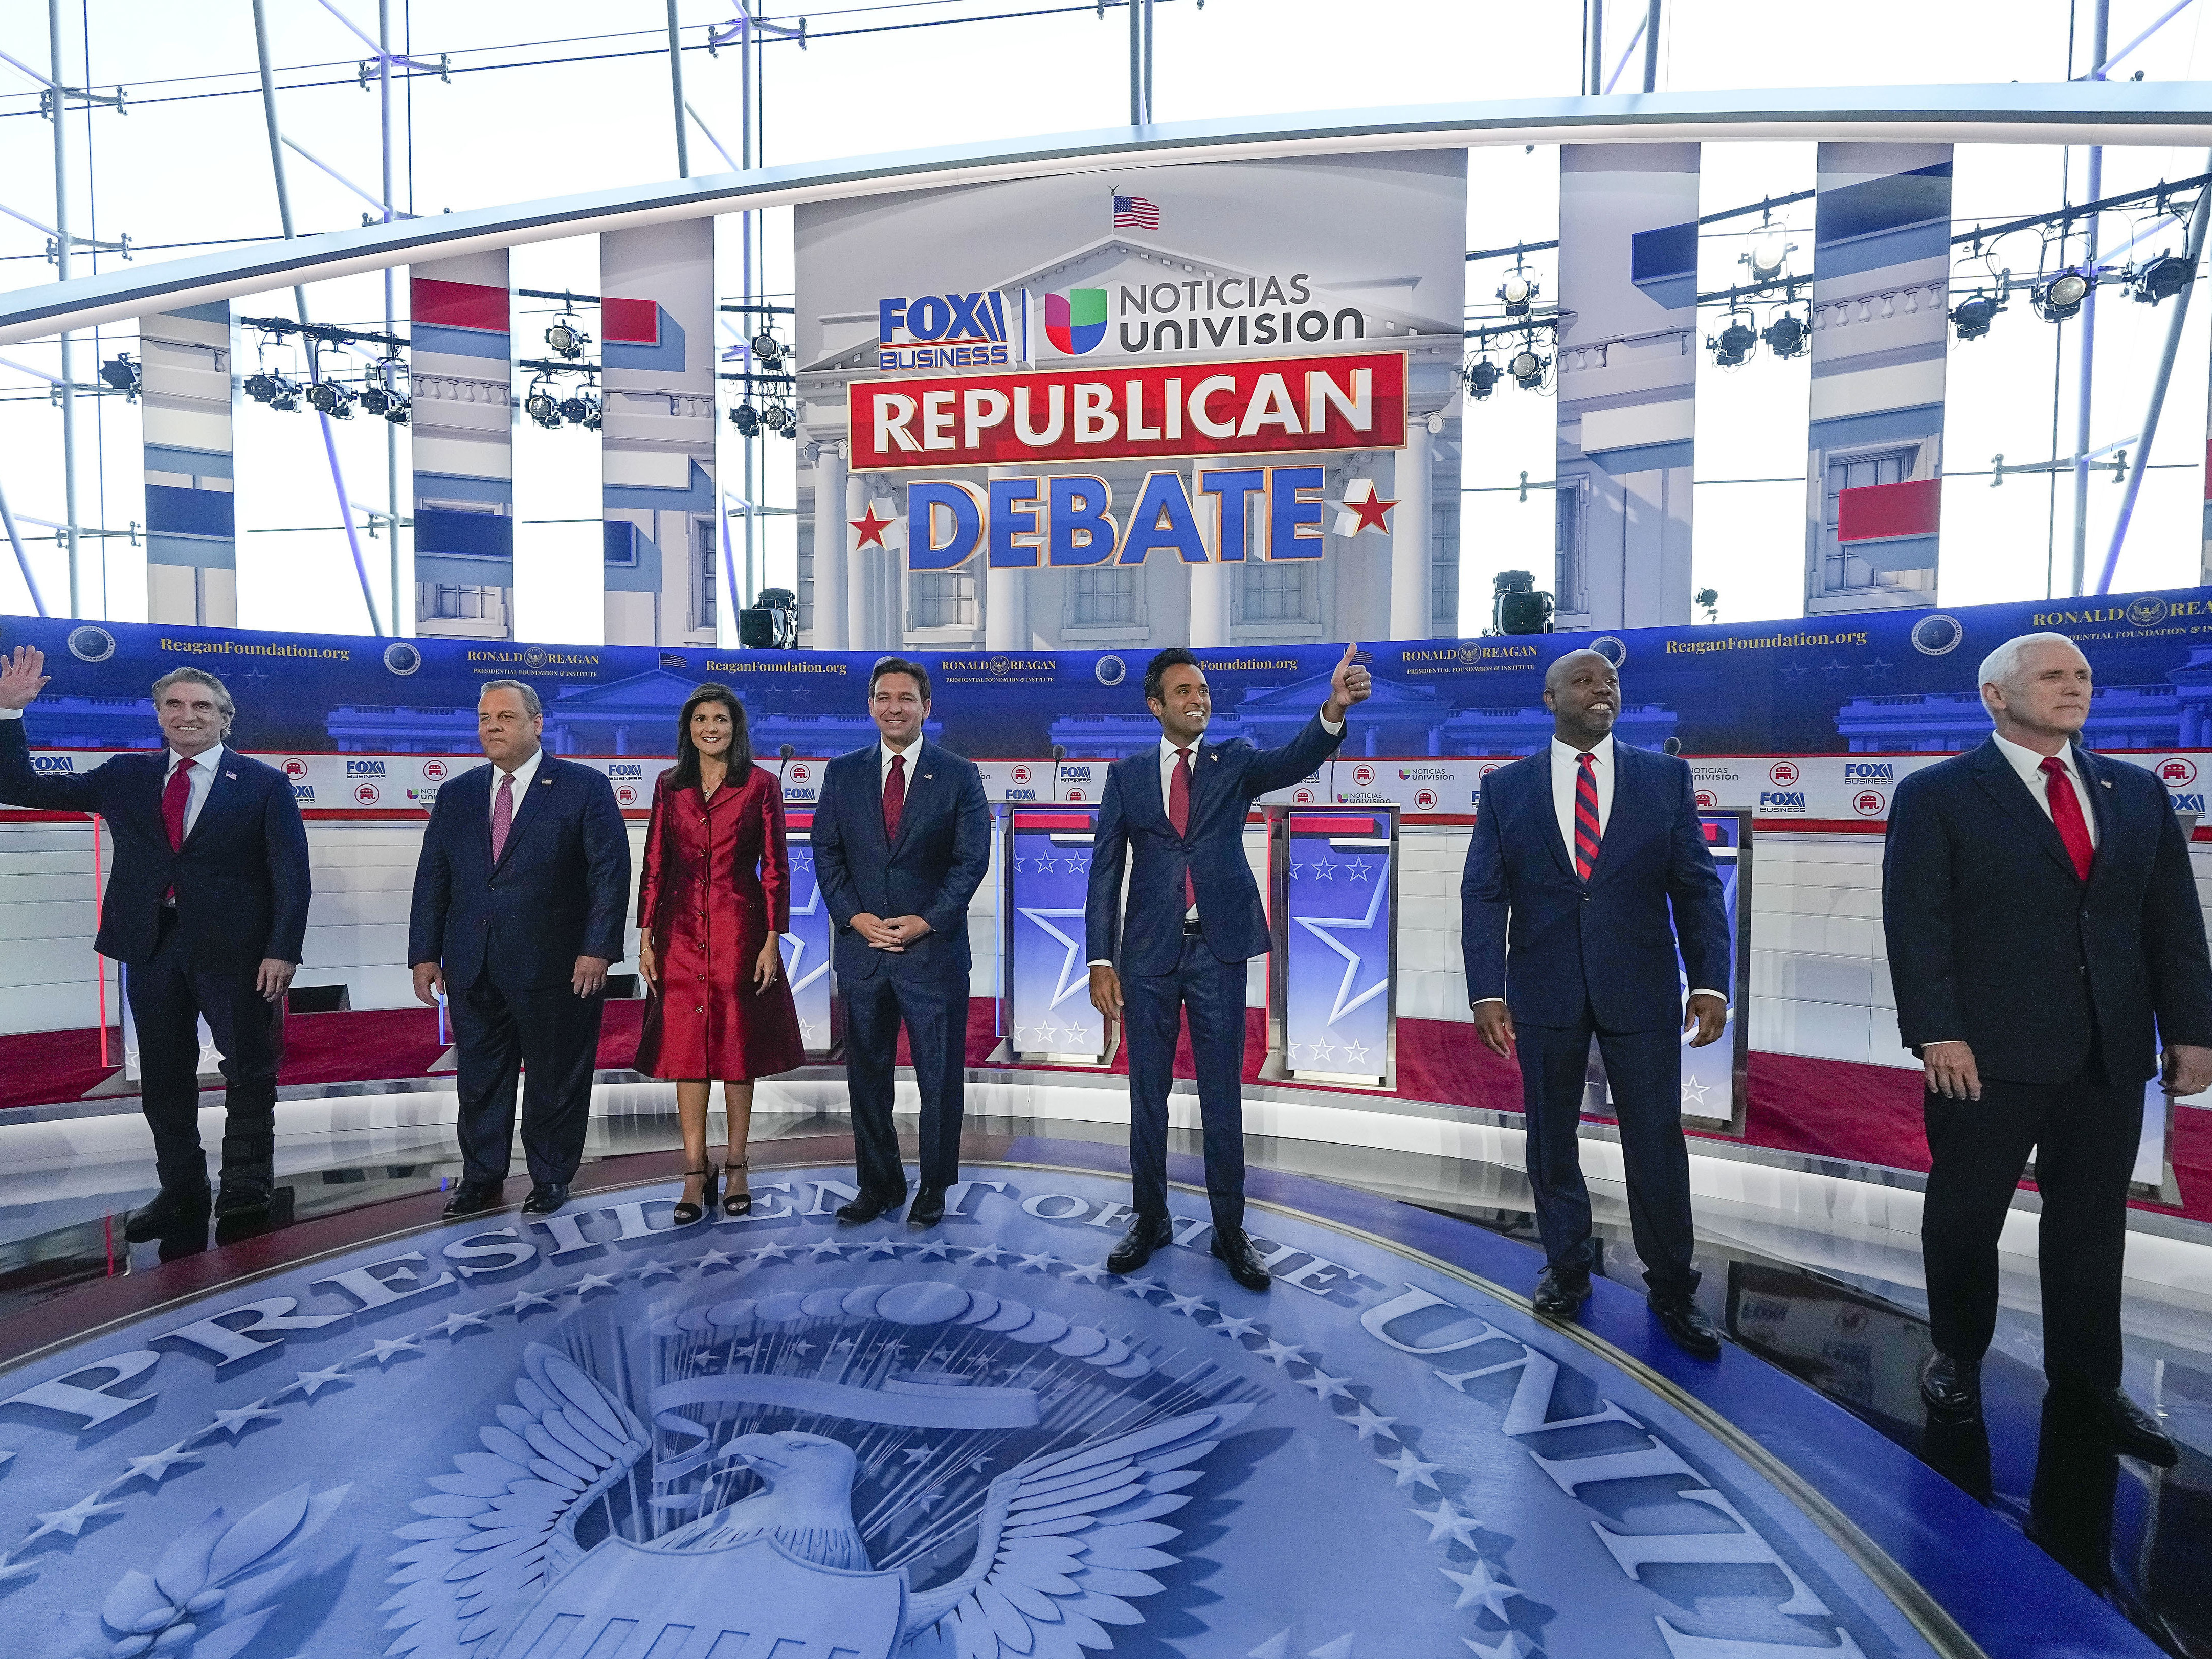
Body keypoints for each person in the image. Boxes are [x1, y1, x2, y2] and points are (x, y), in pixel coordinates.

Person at [1884, 631, 2212, 1464]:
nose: (2075, 687)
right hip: (1983, 1052)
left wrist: (2192, 1029)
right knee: (1965, 1214)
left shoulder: (2135, 793)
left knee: (2092, 1225)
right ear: (1996, 694)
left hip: (2108, 1052)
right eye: (2053, 675)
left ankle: (2089, 1383)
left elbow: (2173, 925)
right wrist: (1936, 1029)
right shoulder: (1940, 794)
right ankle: (1958, 1357)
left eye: (2083, 675)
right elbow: (1916, 923)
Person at [1460, 648, 1732, 1359]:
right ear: (1551, 698)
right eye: (1583, 681)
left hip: (1639, 986)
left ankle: (1672, 1286)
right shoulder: (1506, 788)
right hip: (1542, 988)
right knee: (1551, 1137)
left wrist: (1709, 981)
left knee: (1656, 1142)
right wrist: (1486, 990)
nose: (1600, 690)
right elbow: (1484, 893)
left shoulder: (1664, 779)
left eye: (1610, 680)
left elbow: (1697, 887)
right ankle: (1567, 1265)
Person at [1086, 643, 1371, 1291]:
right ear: (1156, 705)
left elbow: (1296, 758)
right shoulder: (1126, 776)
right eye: (1183, 691)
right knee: (1146, 1095)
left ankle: (1228, 1230)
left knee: (1221, 1096)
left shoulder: (1234, 760)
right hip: (1148, 957)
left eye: (1204, 690)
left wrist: (1331, 709)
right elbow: (1105, 872)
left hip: (1217, 949)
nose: (1198, 700)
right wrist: (1101, 958)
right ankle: (1149, 1218)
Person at [0, 647, 309, 1242]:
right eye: (173, 704)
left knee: (249, 1068)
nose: (186, 715)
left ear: (225, 717)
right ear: (159, 714)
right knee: (165, 1075)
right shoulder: (126, 775)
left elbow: (291, 876)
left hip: (239, 953)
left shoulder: (265, 784)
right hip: (152, 946)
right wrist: (10, 715)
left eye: (200, 706)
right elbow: (16, 783)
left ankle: (246, 1188)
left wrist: (283, 949)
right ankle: (181, 1190)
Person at [409, 680, 630, 1219]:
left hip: (559, 966)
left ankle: (550, 1176)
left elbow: (609, 873)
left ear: (536, 723)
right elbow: (433, 877)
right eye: (484, 717)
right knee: (479, 1078)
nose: (491, 726)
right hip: (473, 963)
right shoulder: (457, 794)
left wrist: (597, 949)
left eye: (505, 716)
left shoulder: (582, 786)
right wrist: (424, 952)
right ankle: (481, 1177)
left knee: (555, 1078)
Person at [811, 657, 990, 1228]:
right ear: (870, 706)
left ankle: (933, 1185)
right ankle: (879, 1184)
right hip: (863, 954)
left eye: (906, 698)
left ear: (926, 707)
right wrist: (853, 917)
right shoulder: (841, 774)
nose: (894, 706)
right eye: (884, 697)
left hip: (930, 953)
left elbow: (969, 862)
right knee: (867, 1078)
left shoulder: (959, 774)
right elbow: (827, 855)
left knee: (938, 1077)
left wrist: (926, 920)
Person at [634, 683, 805, 1223]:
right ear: (689, 728)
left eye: (721, 720)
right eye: (702, 719)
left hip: (739, 930)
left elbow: (775, 868)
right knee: (686, 1051)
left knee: (736, 1051)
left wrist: (771, 938)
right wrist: (645, 935)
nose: (712, 728)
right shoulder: (669, 786)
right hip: (678, 932)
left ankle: (735, 1164)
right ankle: (692, 1169)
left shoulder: (760, 785)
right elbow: (655, 863)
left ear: (736, 728)